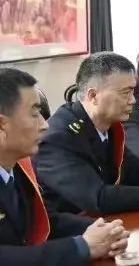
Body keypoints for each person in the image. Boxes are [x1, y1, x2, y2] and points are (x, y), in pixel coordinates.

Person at [34, 52, 139, 215]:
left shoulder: (107, 125)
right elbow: (98, 198)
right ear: (93, 96)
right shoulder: (58, 137)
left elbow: (137, 171)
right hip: (71, 229)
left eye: (133, 91)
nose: (133, 100)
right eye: (125, 93)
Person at [0, 68, 130, 265]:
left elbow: (43, 220)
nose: (45, 125)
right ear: (2, 125)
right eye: (34, 114)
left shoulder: (16, 166)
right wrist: (82, 247)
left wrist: (103, 229)